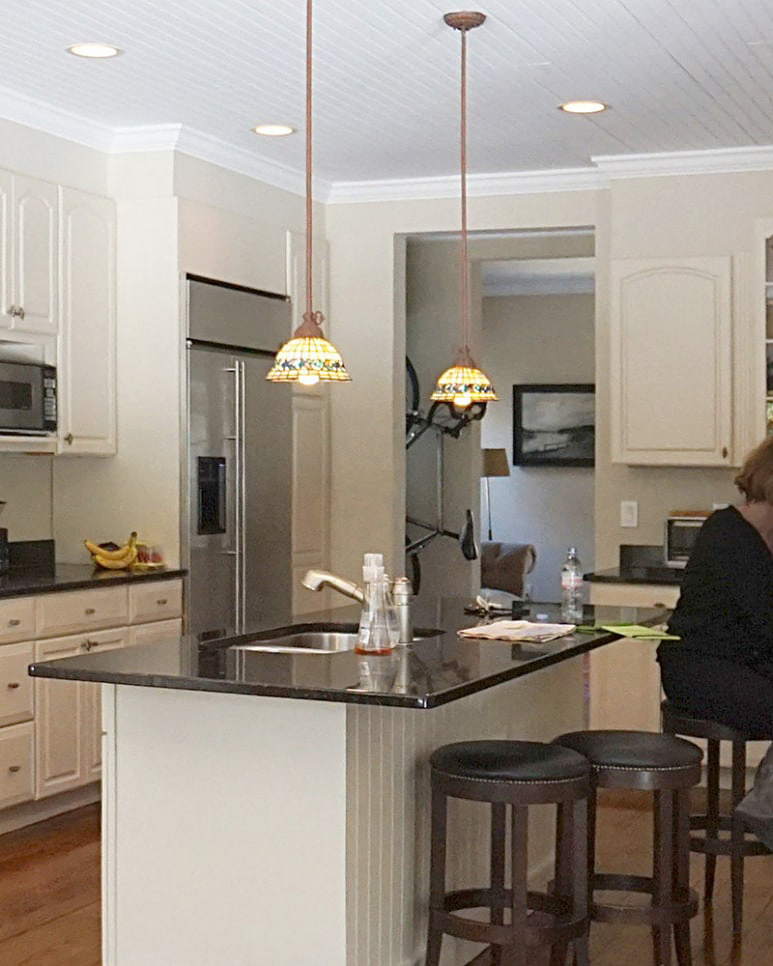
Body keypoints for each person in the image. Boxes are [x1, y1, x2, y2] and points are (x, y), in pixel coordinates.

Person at [658, 435, 773, 848]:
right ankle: (765, 808)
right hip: (698, 668)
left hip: (745, 665)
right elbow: (766, 620)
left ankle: (764, 803)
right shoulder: (727, 533)